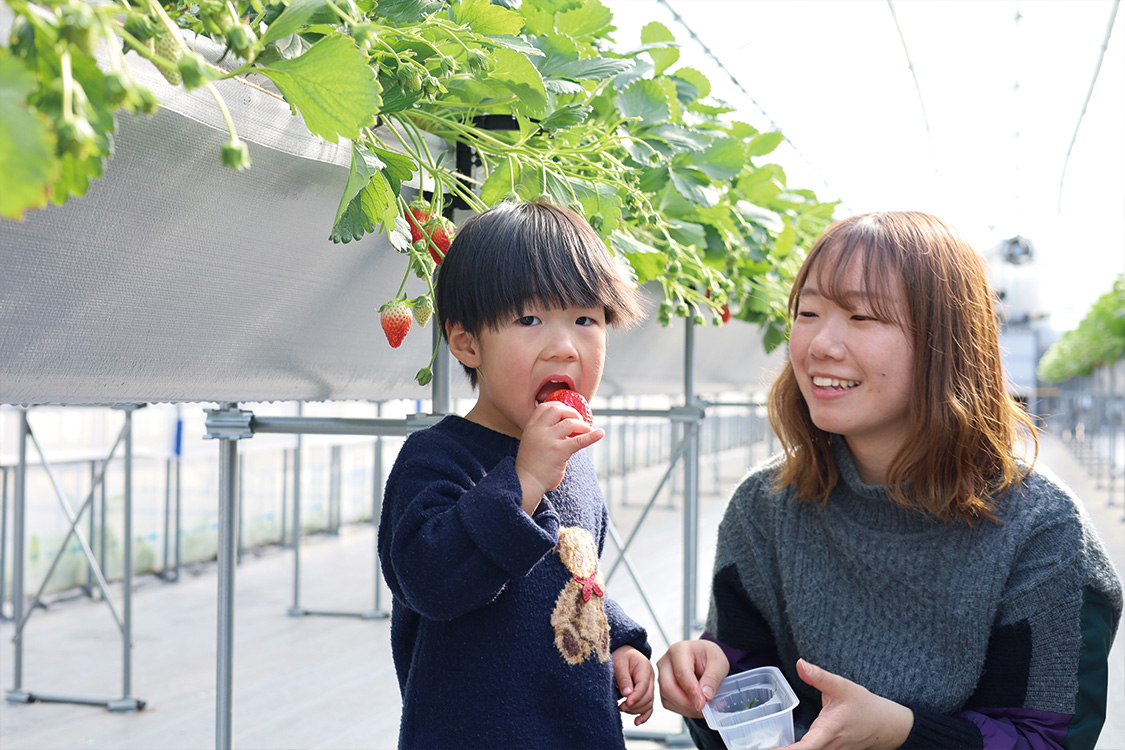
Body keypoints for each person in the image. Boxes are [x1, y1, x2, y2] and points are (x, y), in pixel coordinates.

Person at [657, 211, 1123, 749]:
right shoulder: (765, 508)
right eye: (808, 312)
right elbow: (745, 703)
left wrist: (900, 733)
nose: (820, 345)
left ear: (945, 343)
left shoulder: (1044, 533)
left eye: (862, 317)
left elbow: (1050, 739)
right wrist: (706, 688)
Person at [377, 200, 655, 749]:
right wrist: (524, 480)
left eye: (585, 319)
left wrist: (621, 642)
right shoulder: (437, 458)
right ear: (466, 342)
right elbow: (428, 583)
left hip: (579, 729)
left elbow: (577, 580)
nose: (564, 346)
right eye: (529, 320)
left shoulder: (573, 462)